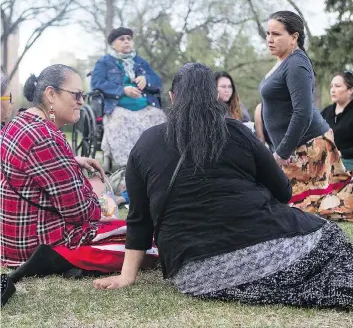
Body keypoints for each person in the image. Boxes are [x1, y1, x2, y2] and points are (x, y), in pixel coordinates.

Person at [93, 63, 353, 309]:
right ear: (215, 97)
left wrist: (127, 276)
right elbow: (283, 191)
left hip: (191, 274)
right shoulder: (237, 132)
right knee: (333, 237)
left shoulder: (146, 143)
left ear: (172, 97)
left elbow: (139, 218)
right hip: (262, 246)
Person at [0, 64, 157, 280]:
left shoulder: (20, 123)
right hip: (40, 244)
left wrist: (71, 161)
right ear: (51, 95)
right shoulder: (45, 137)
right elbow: (80, 213)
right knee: (147, 243)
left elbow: (27, 167)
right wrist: (99, 192)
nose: (82, 101)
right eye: (76, 95)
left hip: (15, 240)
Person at [259, 10, 353, 221]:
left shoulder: (297, 64)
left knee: (308, 208)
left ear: (294, 37)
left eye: (276, 34)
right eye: (268, 33)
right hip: (297, 145)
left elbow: (302, 112)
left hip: (307, 145)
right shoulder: (284, 61)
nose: (269, 39)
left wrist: (282, 152)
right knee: (298, 206)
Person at [91, 27, 166, 168]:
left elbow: (158, 82)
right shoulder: (104, 62)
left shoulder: (140, 62)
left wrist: (146, 79)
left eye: (129, 39)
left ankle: (155, 162)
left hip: (145, 106)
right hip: (118, 107)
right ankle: (127, 166)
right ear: (113, 44)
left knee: (159, 117)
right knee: (121, 121)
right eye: (122, 39)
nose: (126, 42)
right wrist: (122, 89)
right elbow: (97, 84)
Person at [321, 71, 353, 171]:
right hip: (326, 162)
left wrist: (341, 153)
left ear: (350, 90)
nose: (333, 90)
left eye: (337, 86)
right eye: (331, 86)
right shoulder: (327, 111)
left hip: (348, 163)